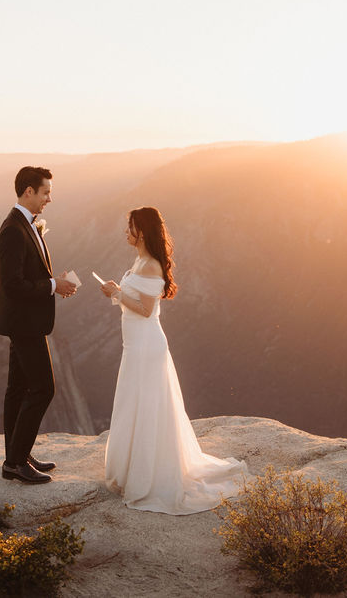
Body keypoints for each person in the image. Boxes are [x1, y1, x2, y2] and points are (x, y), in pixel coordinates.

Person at [100, 206, 247, 513]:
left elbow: (145, 309)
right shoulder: (140, 260)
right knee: (135, 403)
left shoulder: (151, 265)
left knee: (147, 405)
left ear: (141, 231)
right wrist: (116, 294)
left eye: (129, 227)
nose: (125, 232)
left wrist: (116, 291)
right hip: (135, 345)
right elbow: (135, 304)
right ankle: (133, 470)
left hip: (146, 347)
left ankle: (148, 477)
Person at [0, 166, 77, 484]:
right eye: (45, 193)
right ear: (28, 191)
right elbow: (12, 285)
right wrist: (54, 286)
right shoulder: (13, 230)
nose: (49, 200)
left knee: (17, 389)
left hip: (25, 321)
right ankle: (16, 461)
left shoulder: (24, 225)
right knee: (43, 388)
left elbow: (30, 275)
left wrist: (57, 283)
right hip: (24, 323)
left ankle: (16, 456)